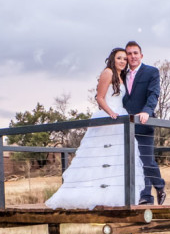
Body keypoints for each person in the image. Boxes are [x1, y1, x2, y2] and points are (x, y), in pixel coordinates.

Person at [45, 47, 144, 209]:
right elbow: (100, 97)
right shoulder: (108, 73)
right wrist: (111, 113)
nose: (122, 61)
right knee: (99, 155)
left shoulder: (121, 76)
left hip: (121, 117)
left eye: (124, 59)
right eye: (119, 58)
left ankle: (114, 195)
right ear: (113, 59)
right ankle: (90, 193)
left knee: (117, 157)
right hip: (109, 116)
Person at [122, 41, 165, 205]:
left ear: (141, 55)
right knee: (133, 162)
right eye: (129, 53)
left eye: (135, 53)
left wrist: (147, 110)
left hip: (144, 122)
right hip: (125, 125)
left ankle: (159, 186)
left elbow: (154, 94)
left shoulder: (151, 72)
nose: (132, 56)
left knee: (146, 160)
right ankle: (146, 197)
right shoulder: (122, 75)